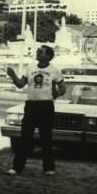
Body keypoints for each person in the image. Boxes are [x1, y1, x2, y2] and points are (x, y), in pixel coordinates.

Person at [6, 44, 65, 176]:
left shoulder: (54, 70)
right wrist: (13, 76)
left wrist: (56, 94)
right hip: (31, 106)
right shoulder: (30, 68)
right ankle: (16, 168)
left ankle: (49, 168)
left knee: (46, 138)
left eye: (40, 52)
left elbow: (63, 87)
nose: (37, 53)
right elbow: (20, 84)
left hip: (46, 107)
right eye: (38, 51)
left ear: (48, 56)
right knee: (25, 138)